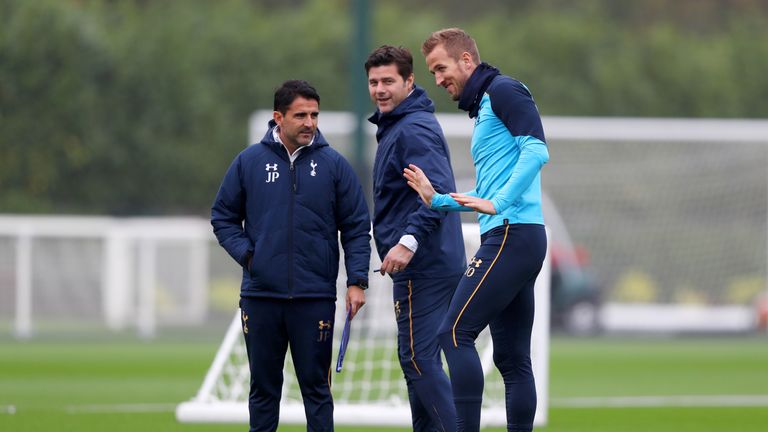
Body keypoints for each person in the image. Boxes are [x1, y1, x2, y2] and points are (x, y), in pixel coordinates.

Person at [404, 28, 550, 432]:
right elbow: (487, 192)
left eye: (441, 68)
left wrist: (500, 202)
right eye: (432, 72)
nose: (437, 79)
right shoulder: (486, 104)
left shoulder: (504, 91)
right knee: (511, 358)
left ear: (466, 60)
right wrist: (440, 200)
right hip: (517, 235)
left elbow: (537, 150)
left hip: (511, 234)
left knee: (452, 334)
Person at [211, 79, 371, 432]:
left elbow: (358, 226)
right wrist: (250, 257)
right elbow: (222, 216)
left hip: (314, 298)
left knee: (317, 391)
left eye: (314, 115)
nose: (310, 123)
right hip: (260, 297)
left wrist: (357, 280)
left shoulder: (334, 165)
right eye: (301, 115)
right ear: (278, 118)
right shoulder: (249, 162)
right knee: (264, 391)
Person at [365, 45, 466, 432]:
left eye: (388, 81)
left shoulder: (412, 128)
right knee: (416, 363)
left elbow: (437, 193)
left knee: (419, 359)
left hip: (424, 264)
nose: (380, 89)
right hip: (432, 262)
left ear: (409, 81)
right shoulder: (401, 125)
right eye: (374, 82)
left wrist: (408, 241)